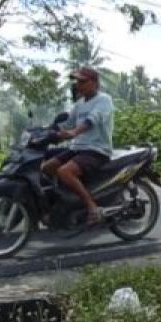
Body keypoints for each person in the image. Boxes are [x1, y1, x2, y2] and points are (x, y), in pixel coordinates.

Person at [42, 66, 115, 225]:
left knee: (64, 171)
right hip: (78, 149)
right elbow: (67, 123)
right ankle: (65, 200)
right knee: (46, 168)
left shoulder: (104, 100)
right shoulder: (80, 103)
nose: (78, 85)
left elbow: (92, 120)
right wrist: (46, 130)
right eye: (77, 81)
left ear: (94, 83)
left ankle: (92, 207)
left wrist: (75, 132)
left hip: (96, 150)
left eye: (82, 81)